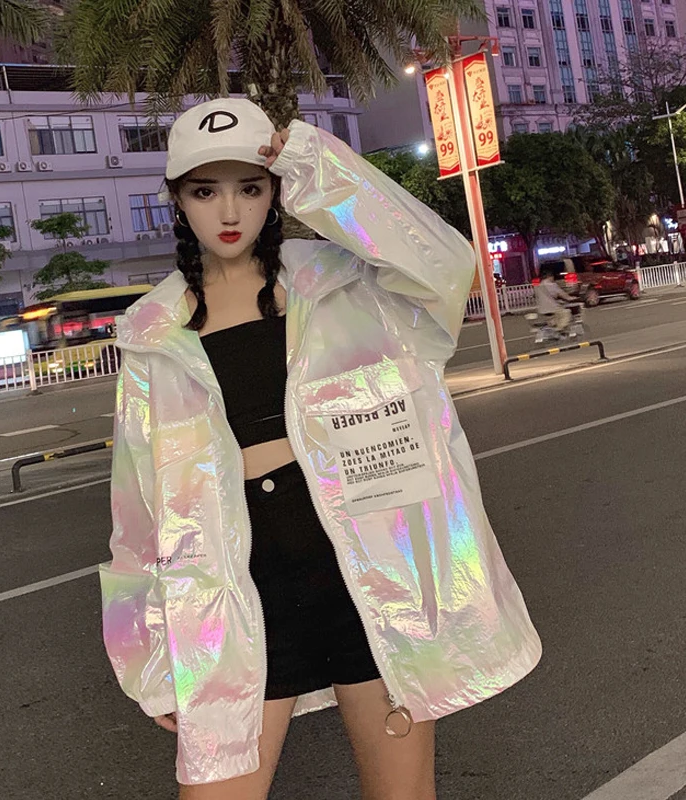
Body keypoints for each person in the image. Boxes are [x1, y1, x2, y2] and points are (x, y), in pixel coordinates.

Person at [101, 98, 542, 799]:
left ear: (276, 191)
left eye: (250, 187)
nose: (229, 211)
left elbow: (445, 264)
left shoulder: (345, 285)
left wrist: (317, 165)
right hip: (234, 598)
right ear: (177, 199)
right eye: (205, 191)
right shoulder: (151, 334)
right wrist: (147, 658)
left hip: (371, 578)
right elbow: (138, 515)